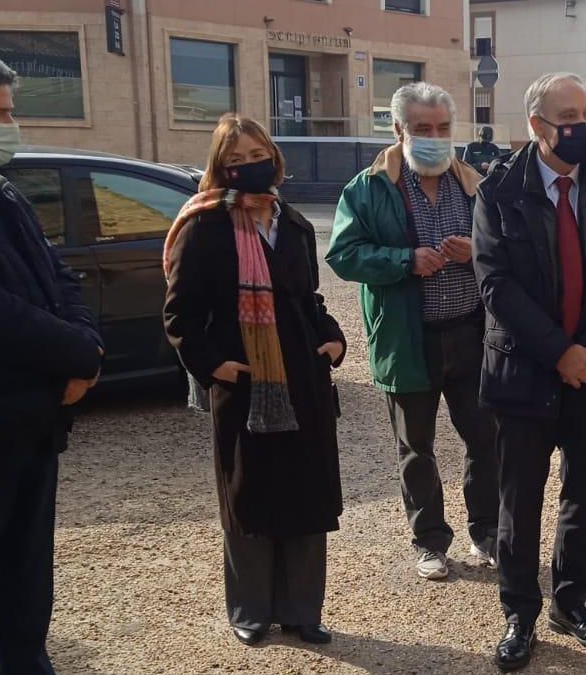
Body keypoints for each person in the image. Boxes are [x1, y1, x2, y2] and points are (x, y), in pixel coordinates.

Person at [472, 72, 586, 672]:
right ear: (536, 126)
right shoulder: (498, 192)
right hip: (524, 371)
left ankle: (570, 601)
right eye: (567, 116)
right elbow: (496, 285)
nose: (582, 126)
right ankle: (519, 611)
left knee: (583, 494)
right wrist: (558, 353)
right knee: (519, 499)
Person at [163, 113, 347, 647]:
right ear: (220, 168)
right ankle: (250, 610)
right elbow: (179, 315)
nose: (249, 167)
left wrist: (333, 339)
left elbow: (309, 299)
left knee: (307, 496)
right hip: (244, 385)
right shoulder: (204, 226)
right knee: (249, 496)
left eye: (255, 155)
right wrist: (213, 364)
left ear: (273, 156)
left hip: (304, 382)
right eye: (235, 160)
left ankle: (301, 611)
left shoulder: (293, 223)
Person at [0, 42, 103, 675]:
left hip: (28, 424)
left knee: (24, 581)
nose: (9, 126)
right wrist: (74, 350)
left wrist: (87, 346)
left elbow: (58, 276)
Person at [327, 82, 499, 580]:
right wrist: (404, 260)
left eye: (442, 128)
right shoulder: (367, 187)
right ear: (399, 129)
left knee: (485, 439)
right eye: (422, 128)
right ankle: (429, 541)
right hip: (407, 337)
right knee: (416, 447)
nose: (434, 137)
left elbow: (509, 248)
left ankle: (486, 530)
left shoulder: (476, 184)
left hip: (471, 332)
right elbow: (343, 254)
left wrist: (477, 252)